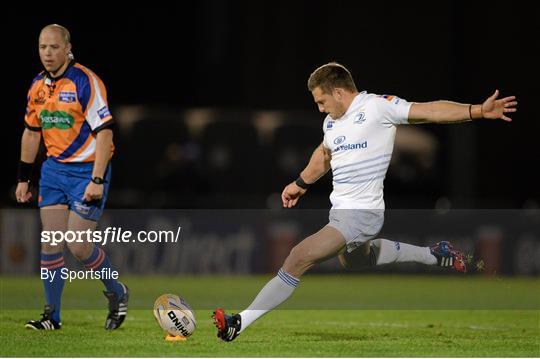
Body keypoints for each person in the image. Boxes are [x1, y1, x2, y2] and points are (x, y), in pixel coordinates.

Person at [212, 62, 517, 341]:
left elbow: (430, 110)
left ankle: (239, 321)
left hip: (362, 214)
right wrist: (301, 183)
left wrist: (477, 110)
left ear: (339, 92)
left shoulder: (377, 107)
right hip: (342, 214)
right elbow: (324, 155)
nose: (320, 109)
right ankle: (435, 254)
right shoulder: (332, 123)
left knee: (297, 257)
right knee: (356, 260)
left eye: (322, 101)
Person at [15, 24, 128, 330]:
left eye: (54, 47)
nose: (48, 53)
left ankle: (117, 292)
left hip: (87, 170)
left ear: (67, 48)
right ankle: (51, 316)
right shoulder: (37, 86)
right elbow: (31, 132)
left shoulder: (85, 81)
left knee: (78, 245)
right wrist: (24, 177)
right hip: (54, 170)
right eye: (42, 47)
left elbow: (105, 133)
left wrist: (97, 179)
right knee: (51, 241)